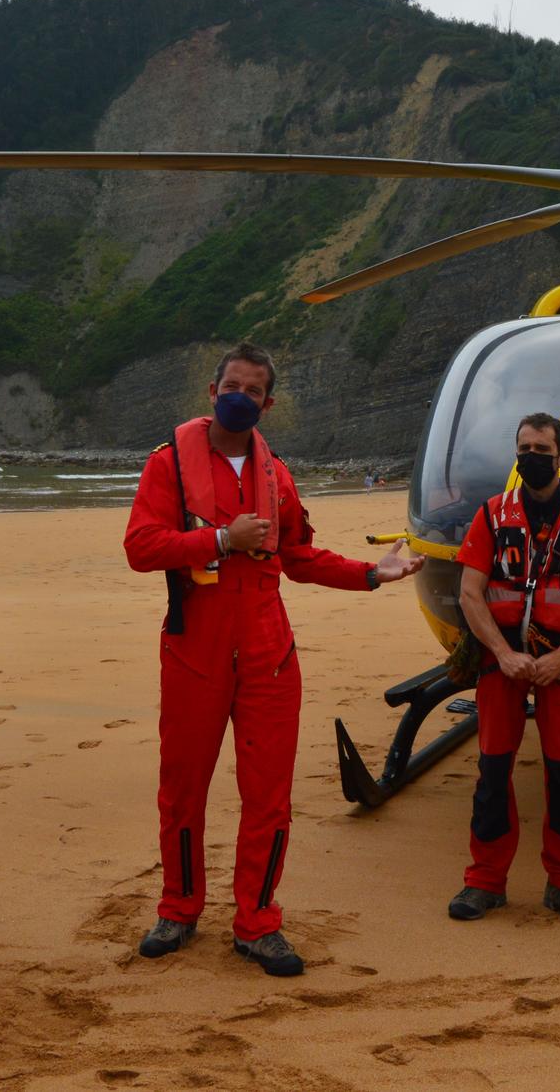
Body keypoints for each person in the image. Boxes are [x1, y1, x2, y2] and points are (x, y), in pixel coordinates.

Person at [123, 343, 422, 976]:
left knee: (269, 798)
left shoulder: (276, 475)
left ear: (268, 403)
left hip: (269, 655)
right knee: (182, 792)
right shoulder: (166, 467)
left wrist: (374, 572)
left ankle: (258, 923)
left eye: (253, 390)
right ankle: (178, 910)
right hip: (193, 652)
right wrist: (220, 539)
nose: (241, 395)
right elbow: (141, 547)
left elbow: (301, 558)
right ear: (212, 391)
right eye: (232, 384)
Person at [449, 413, 560, 925]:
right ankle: (484, 881)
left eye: (541, 448)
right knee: (493, 771)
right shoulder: (491, 514)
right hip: (500, 661)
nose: (531, 455)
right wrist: (503, 654)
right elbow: (469, 591)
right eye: (523, 446)